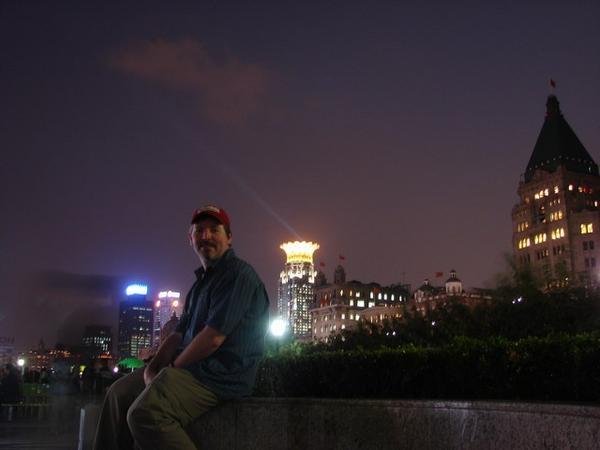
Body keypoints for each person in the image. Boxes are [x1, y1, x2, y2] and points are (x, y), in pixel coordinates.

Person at [93, 205, 270, 450]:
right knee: (118, 394)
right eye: (199, 231)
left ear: (229, 237)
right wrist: (153, 368)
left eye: (214, 230)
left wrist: (171, 369)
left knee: (146, 413)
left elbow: (213, 338)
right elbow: (176, 335)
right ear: (190, 238)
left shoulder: (238, 275)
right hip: (189, 372)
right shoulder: (198, 287)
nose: (206, 236)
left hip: (219, 376)